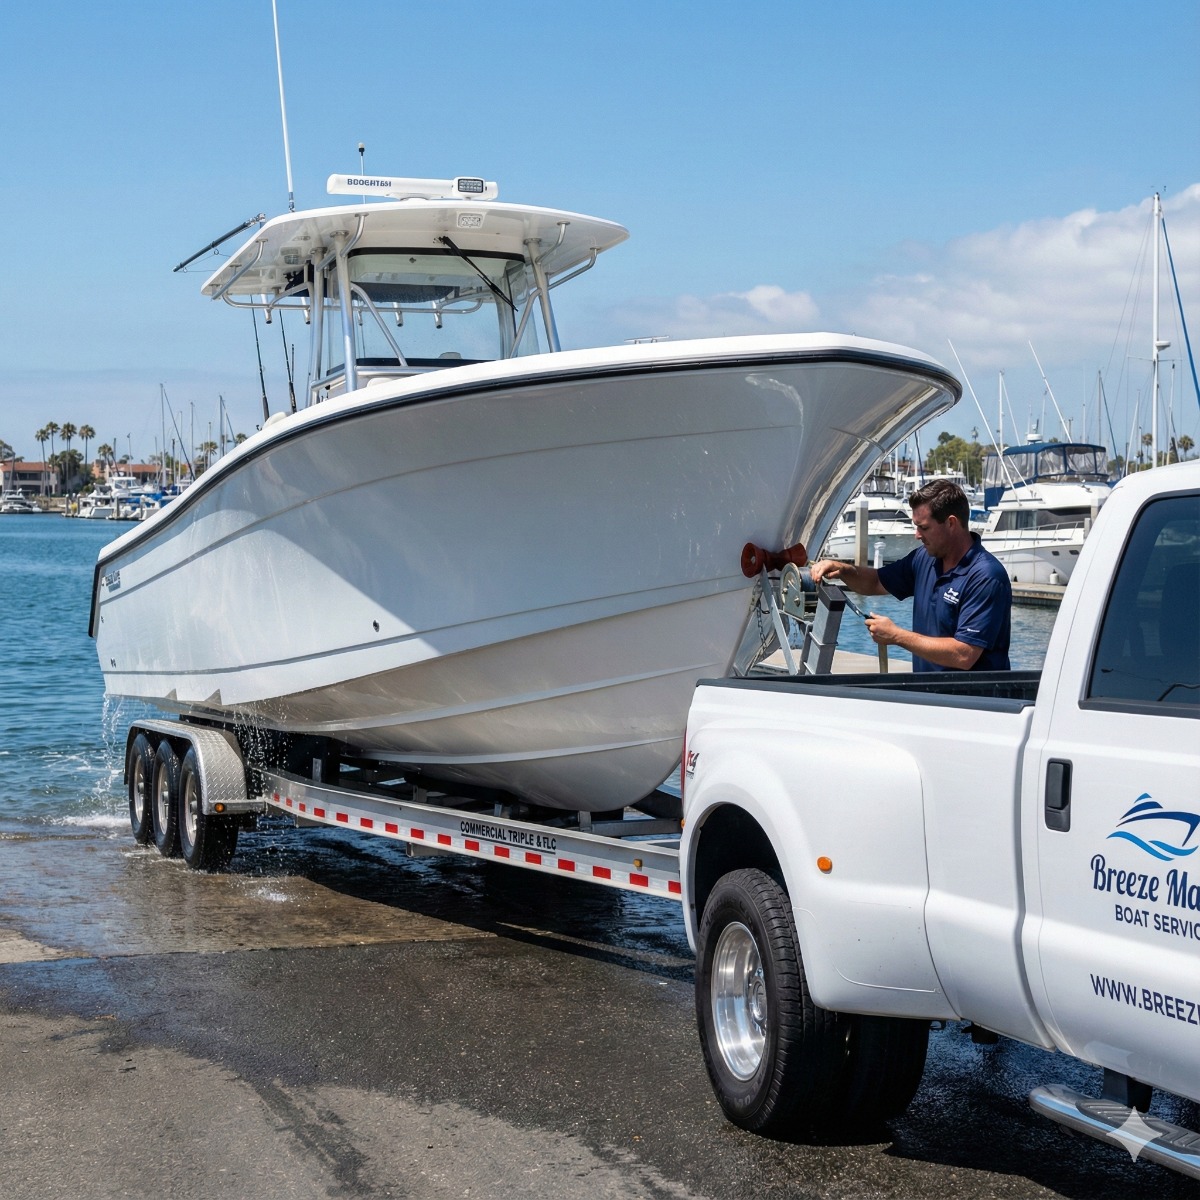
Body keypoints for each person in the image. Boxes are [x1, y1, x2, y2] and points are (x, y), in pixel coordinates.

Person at [810, 478, 1011, 671]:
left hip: (974, 703)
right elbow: (875, 582)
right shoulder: (924, 559)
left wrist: (897, 636)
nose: (917, 535)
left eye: (924, 527)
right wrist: (843, 570)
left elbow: (964, 655)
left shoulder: (986, 576)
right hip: (928, 697)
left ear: (951, 523)